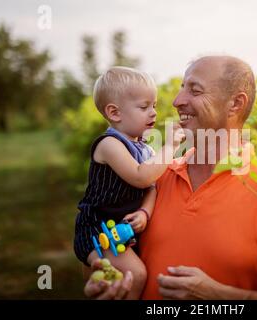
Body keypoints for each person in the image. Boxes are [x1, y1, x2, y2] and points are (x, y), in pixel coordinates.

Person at [84, 56, 257, 300]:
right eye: (181, 89)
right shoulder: (155, 177)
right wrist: (105, 285)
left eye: (194, 91)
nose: (177, 102)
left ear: (235, 104)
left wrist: (218, 295)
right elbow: (107, 249)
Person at [74, 66, 190, 300]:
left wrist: (145, 213)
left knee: (113, 281)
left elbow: (152, 186)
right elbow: (141, 176)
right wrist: (170, 147)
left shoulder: (145, 148)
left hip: (121, 231)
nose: (153, 113)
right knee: (134, 274)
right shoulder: (109, 145)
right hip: (98, 229)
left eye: (154, 105)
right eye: (143, 107)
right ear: (115, 113)